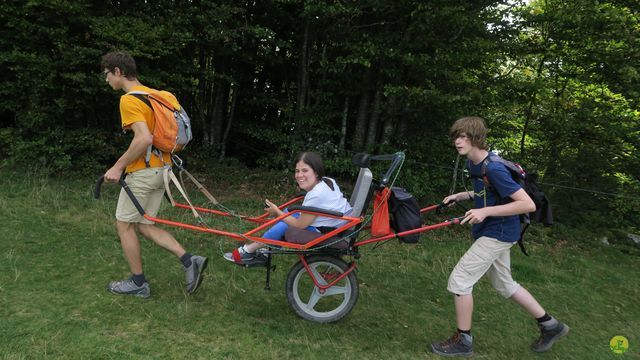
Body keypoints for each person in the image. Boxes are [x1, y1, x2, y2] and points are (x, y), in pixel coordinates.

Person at [430, 117, 569, 357]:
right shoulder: (475, 164)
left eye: (463, 136)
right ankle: (551, 325)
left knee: (460, 280)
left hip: (499, 233)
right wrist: (463, 195)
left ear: (476, 138)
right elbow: (490, 191)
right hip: (492, 231)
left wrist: (484, 211)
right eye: (456, 136)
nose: (457, 141)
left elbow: (526, 204)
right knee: (504, 284)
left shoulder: (493, 167)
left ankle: (463, 341)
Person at [101, 51, 207, 298]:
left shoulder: (129, 100)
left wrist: (117, 167)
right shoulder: (160, 95)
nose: (106, 79)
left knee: (124, 225)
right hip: (163, 170)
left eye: (106, 74)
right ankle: (190, 261)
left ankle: (138, 283)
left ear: (118, 71)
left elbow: (144, 138)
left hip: (144, 172)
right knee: (145, 225)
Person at [224, 152, 352, 266]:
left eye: (305, 170)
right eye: (297, 171)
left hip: (329, 231)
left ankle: (249, 250)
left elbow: (299, 225)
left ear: (316, 172)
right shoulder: (327, 181)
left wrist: (277, 213)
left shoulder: (316, 195)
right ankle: (263, 249)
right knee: (288, 213)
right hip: (336, 224)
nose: (299, 175)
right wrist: (280, 214)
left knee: (286, 220)